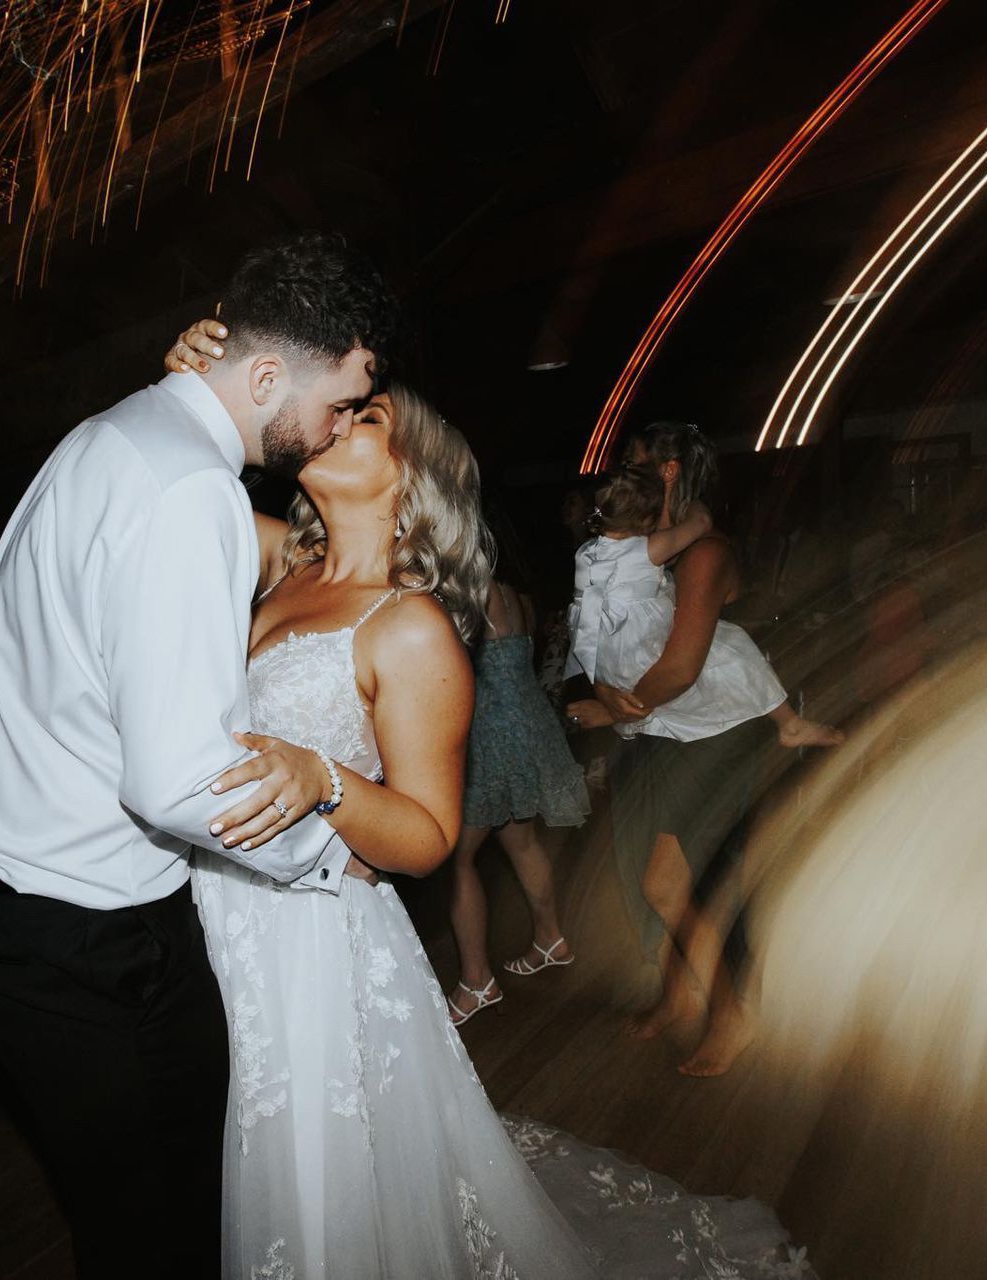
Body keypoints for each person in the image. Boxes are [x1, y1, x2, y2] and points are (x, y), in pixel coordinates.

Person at [167, 327, 809, 1277]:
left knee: (322, 1177)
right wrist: (196, 386)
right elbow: (173, 498)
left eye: (364, 415)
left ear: (411, 470)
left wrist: (323, 780)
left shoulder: (412, 624)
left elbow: (426, 838)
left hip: (316, 933)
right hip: (217, 911)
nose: (335, 419)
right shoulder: (273, 562)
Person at [0, 233, 395, 1277]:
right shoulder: (192, 491)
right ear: (268, 374)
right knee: (160, 1220)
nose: (336, 428)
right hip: (79, 934)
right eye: (340, 402)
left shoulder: (115, 432)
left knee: (142, 1191)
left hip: (7, 896)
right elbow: (180, 780)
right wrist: (329, 859)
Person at [570, 423, 793, 1078]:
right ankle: (679, 992)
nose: (620, 475)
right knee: (656, 871)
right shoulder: (645, 552)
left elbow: (682, 664)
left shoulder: (701, 553)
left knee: (709, 873)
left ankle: (734, 1012)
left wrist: (608, 705)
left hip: (715, 731)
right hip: (666, 727)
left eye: (631, 463)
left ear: (665, 472)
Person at [570, 462, 844, 751]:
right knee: (730, 644)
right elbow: (700, 521)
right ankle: (789, 722)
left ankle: (787, 722)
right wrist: (675, 490)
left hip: (606, 656)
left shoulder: (585, 554)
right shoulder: (647, 550)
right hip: (640, 650)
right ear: (645, 521)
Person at [445, 570, 592, 1025]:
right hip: (527, 723)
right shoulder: (516, 593)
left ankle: (476, 981)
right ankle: (550, 939)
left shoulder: (466, 594)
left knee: (456, 859)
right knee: (521, 841)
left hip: (489, 735)